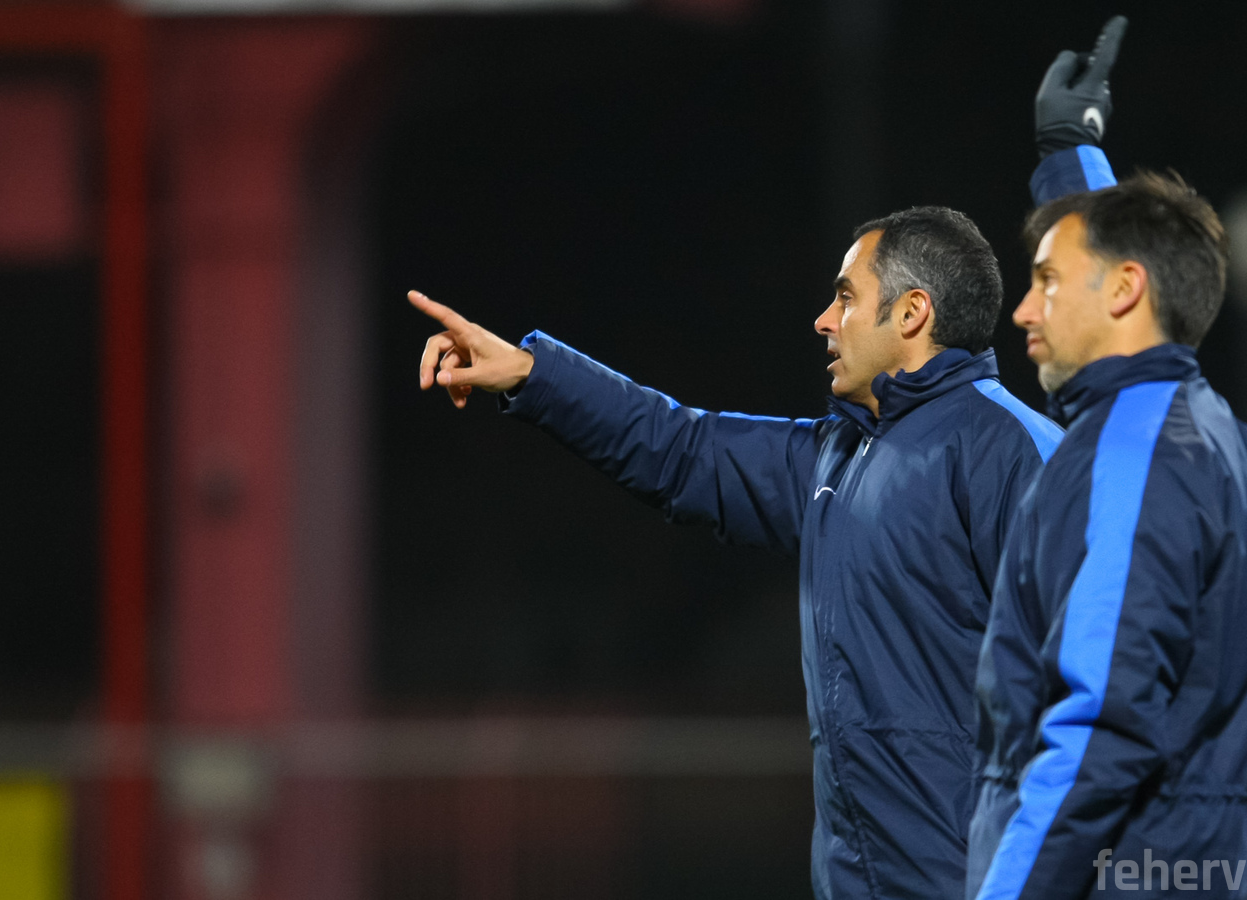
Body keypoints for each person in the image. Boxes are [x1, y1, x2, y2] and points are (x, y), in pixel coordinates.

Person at [410, 202, 1063, 900]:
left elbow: (1092, 689)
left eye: (846, 297)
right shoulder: (838, 457)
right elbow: (682, 450)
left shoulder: (1016, 453)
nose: (824, 320)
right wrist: (530, 374)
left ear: (911, 313)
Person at [964, 174, 1247, 897]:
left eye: (1047, 281)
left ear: (1124, 289)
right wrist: (1069, 157)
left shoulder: (1136, 450)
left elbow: (1101, 721)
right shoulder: (1213, 429)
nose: (1023, 310)